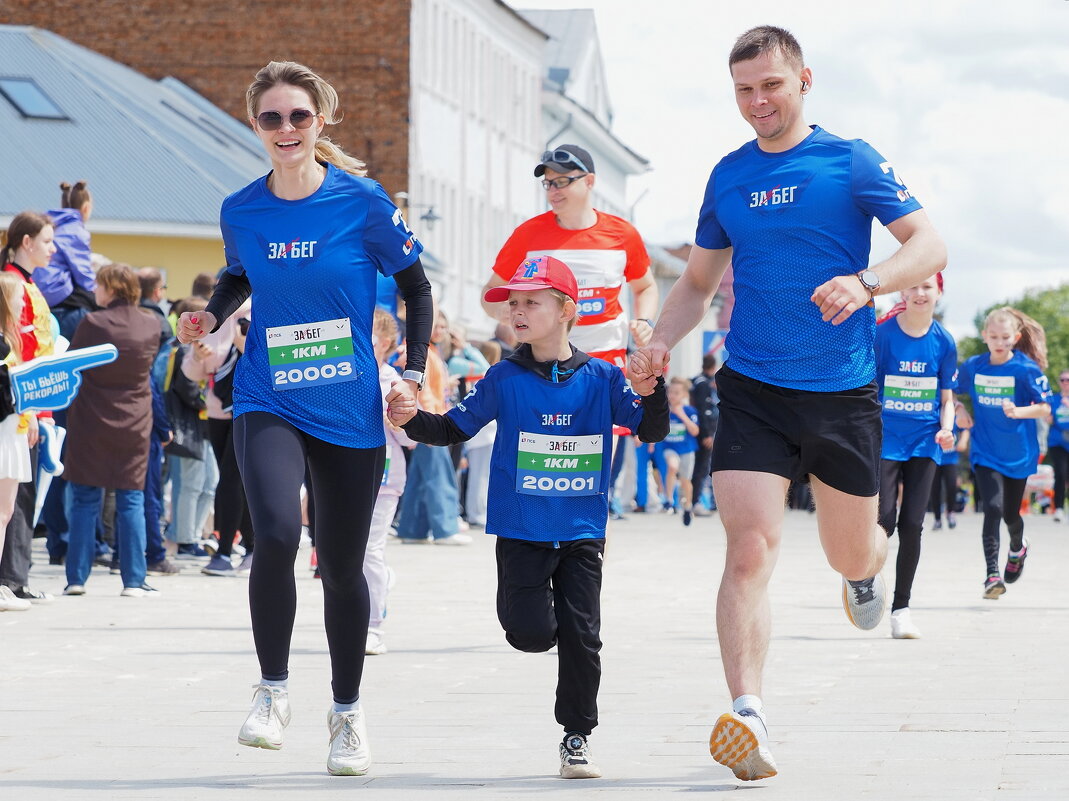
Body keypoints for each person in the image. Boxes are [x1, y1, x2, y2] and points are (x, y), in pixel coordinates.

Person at [627, 26, 947, 781]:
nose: (756, 101)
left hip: (840, 394)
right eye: (743, 89)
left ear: (803, 78)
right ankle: (748, 711)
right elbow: (698, 283)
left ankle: (866, 569)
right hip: (752, 389)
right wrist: (657, 343)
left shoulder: (850, 160)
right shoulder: (728, 176)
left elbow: (927, 244)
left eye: (769, 85)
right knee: (747, 546)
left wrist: (867, 282)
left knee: (851, 549)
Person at [175, 60, 432, 777]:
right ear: (255, 124)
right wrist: (212, 314)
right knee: (279, 534)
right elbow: (238, 274)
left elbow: (414, 285)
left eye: (298, 117)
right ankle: (273, 690)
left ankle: (346, 714)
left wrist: (410, 374)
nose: (285, 129)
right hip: (269, 394)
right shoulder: (242, 208)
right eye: (270, 118)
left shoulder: (363, 202)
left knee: (343, 566)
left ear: (320, 120)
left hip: (349, 405)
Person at [386, 255, 669, 779]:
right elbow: (455, 429)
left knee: (585, 636)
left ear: (567, 309)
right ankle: (562, 636)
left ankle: (577, 736)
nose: (516, 311)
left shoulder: (604, 377)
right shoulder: (504, 377)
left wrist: (652, 390)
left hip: (582, 530)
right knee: (528, 635)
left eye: (530, 302)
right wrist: (412, 419)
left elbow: (651, 431)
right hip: (521, 529)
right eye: (512, 302)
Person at [481, 144, 658, 369]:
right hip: (545, 363)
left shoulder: (623, 234)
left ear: (589, 181)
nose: (553, 190)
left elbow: (645, 287)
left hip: (605, 361)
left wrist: (644, 320)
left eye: (562, 181)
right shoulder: (527, 235)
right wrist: (501, 311)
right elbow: (489, 292)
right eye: (548, 183)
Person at [63, 263, 161, 597]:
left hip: (91, 420)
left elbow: (72, 365)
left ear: (112, 288)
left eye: (99, 284)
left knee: (85, 499)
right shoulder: (151, 325)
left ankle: (76, 578)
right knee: (131, 498)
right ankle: (134, 580)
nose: (94, 290)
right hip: (134, 421)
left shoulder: (91, 323)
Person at [873, 274, 957, 639]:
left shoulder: (944, 342)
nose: (920, 293)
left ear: (939, 293)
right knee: (884, 521)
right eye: (914, 286)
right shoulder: (884, 335)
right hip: (886, 439)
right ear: (902, 291)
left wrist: (947, 428)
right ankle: (862, 579)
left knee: (912, 525)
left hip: (926, 442)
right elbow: (868, 390)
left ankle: (901, 610)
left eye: (928, 287)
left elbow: (947, 398)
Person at [956, 307, 1051, 600]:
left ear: (1016, 337)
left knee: (1011, 514)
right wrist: (959, 410)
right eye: (994, 336)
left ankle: (1017, 548)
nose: (999, 342)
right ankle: (991, 575)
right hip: (985, 452)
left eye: (1005, 337)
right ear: (985, 336)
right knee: (992, 507)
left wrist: (1019, 411)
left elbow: (1045, 408)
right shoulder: (973, 366)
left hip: (1019, 455)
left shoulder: (1025, 370)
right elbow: (950, 391)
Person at [1, 211, 57, 604]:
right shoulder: (12, 286)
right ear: (27, 242)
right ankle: (10, 578)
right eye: (48, 241)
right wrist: (32, 410)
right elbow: (18, 356)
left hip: (33, 404)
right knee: (15, 494)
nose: (53, 249)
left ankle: (16, 576)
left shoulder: (28, 284)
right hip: (20, 406)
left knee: (23, 492)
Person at [364, 309, 414, 655]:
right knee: (350, 555)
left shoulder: (393, 382)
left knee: (369, 551)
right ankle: (380, 582)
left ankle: (372, 626)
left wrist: (398, 419)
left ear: (383, 343)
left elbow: (413, 438)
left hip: (383, 478)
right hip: (342, 477)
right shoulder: (341, 377)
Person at [0, 274, 33, 612]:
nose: (24, 304)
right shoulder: (3, 343)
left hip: (12, 429)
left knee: (5, 512)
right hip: (5, 431)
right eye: (19, 298)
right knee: (2, 511)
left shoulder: (11, 339)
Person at [37, 181, 97, 340]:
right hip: (60, 296)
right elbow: (84, 275)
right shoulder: (77, 230)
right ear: (86, 208)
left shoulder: (50, 224)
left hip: (41, 295)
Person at [658, 376, 701, 525]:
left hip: (687, 450)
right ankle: (669, 501)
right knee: (672, 466)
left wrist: (682, 415)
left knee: (685, 481)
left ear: (683, 395)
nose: (672, 396)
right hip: (670, 448)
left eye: (677, 393)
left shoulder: (690, 411)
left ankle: (688, 506)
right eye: (670, 392)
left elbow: (695, 431)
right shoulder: (664, 411)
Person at [929, 402, 972, 530]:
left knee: (952, 486)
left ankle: (951, 512)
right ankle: (937, 518)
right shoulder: (933, 415)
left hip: (951, 459)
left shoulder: (952, 415)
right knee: (935, 488)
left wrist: (963, 441)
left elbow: (965, 430)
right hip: (935, 458)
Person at [690, 353, 720, 515]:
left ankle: (694, 500)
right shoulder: (703, 384)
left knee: (699, 467)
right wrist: (707, 434)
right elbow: (703, 410)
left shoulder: (696, 381)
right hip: (704, 432)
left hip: (697, 430)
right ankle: (695, 501)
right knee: (701, 468)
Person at [1046, 369, 1069, 522]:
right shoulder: (1053, 399)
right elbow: (1048, 418)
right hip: (1057, 442)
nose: (1065, 383)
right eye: (1063, 380)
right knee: (1060, 474)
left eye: (1068, 380)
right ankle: (1059, 508)